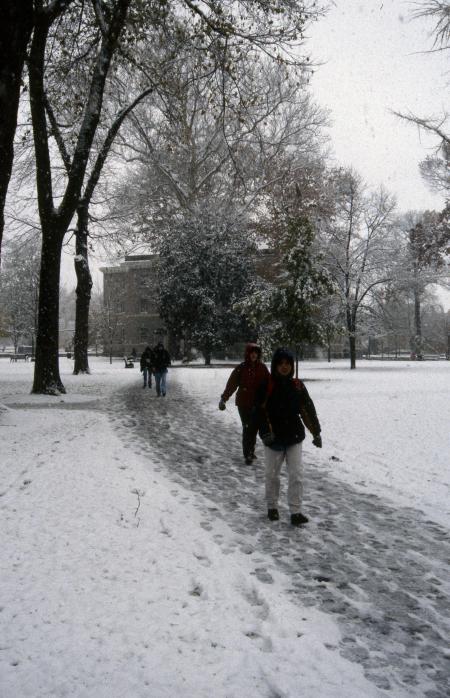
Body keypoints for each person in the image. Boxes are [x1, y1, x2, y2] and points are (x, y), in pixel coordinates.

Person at [257, 347, 322, 526]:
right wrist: (265, 432)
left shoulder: (297, 386)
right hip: (273, 438)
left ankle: (295, 511)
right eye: (281, 363)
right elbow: (259, 412)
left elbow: (307, 410)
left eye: (288, 363)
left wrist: (316, 432)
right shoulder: (267, 385)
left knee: (296, 475)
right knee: (272, 475)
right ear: (275, 365)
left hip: (294, 436)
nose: (284, 367)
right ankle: (272, 507)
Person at [218, 343, 270, 465]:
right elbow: (231, 385)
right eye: (251, 352)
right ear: (247, 354)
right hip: (244, 403)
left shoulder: (262, 368)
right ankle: (248, 454)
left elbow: (269, 385)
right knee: (248, 428)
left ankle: (251, 450)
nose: (254, 355)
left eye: (256, 352)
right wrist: (224, 399)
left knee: (255, 427)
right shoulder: (241, 368)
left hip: (258, 404)